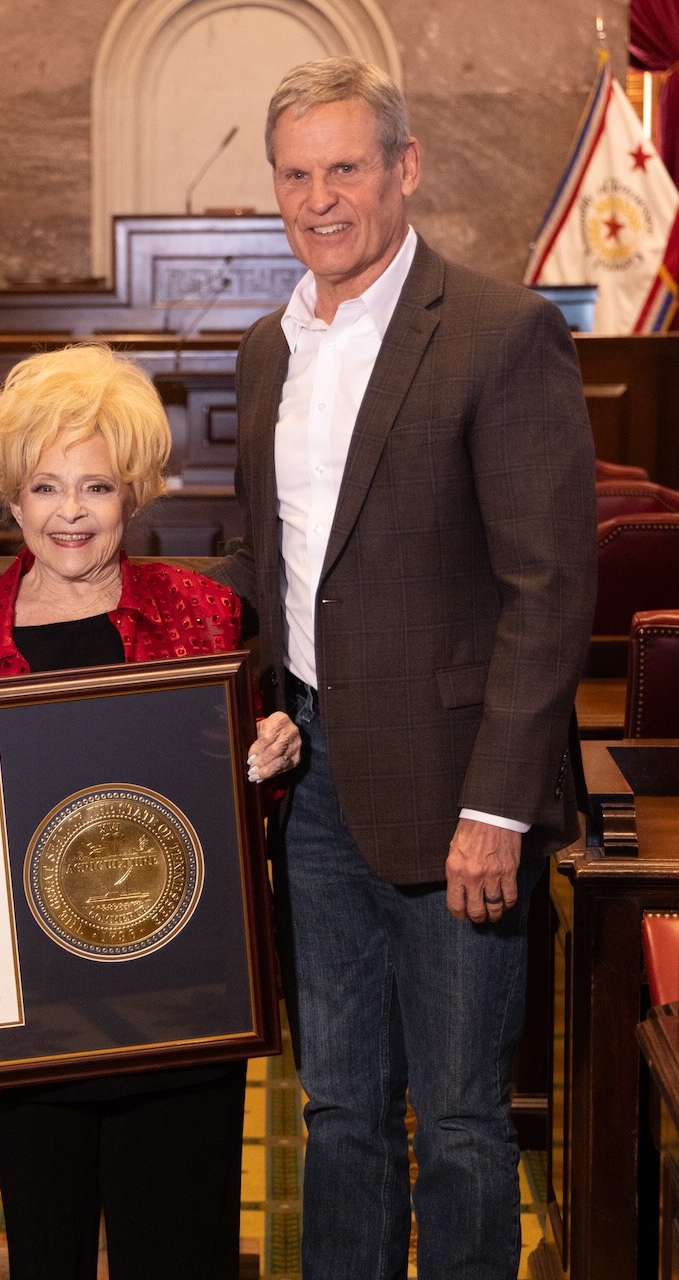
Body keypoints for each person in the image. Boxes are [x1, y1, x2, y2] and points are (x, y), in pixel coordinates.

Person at [210, 57, 597, 1279]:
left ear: (402, 169)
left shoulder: (497, 331)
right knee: (336, 1111)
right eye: (294, 174)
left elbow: (548, 591)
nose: (319, 199)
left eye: (344, 167)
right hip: (311, 787)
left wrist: (496, 807)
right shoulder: (269, 348)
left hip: (453, 796)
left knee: (467, 1124)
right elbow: (262, 569)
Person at [0, 342, 300, 1280]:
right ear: (11, 496)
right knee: (46, 1252)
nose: (71, 514)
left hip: (182, 1006)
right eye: (45, 488)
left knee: (177, 1253)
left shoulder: (206, 618)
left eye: (97, 487)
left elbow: (247, 805)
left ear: (135, 492)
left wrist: (270, 760)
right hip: (30, 1014)